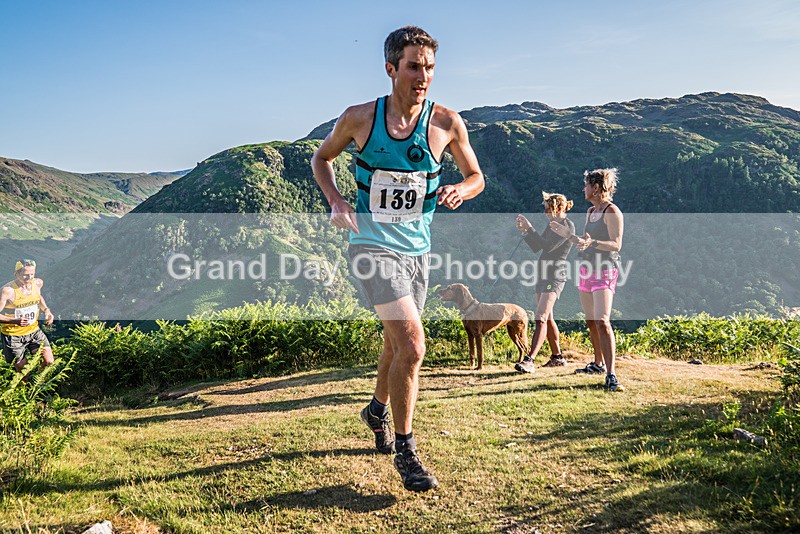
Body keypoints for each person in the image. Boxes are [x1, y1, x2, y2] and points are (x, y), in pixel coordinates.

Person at [311, 26, 484, 492]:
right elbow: (321, 159)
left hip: (417, 250)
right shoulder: (360, 119)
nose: (422, 75)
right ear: (391, 69)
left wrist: (460, 190)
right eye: (413, 66)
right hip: (370, 246)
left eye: (429, 67)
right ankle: (407, 452)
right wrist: (336, 201)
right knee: (412, 345)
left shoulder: (447, 123)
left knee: (395, 346)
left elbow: (476, 177)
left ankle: (376, 409)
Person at [550, 169, 624, 392]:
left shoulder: (612, 212)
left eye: (586, 185)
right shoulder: (591, 210)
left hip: (605, 270)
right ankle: (598, 364)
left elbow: (616, 244)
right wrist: (570, 237)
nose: (583, 189)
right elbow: (585, 240)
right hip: (586, 268)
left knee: (602, 321)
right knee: (591, 320)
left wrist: (591, 243)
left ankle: (611, 375)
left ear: (596, 187)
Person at [514, 192, 575, 373]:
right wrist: (526, 231)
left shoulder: (567, 226)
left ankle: (529, 360)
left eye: (548, 209)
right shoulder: (552, 226)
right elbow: (537, 247)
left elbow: (548, 247)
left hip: (554, 276)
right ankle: (557, 357)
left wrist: (530, 228)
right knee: (547, 317)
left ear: (559, 208)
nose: (545, 213)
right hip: (543, 274)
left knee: (540, 317)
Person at [1, 259, 55, 372]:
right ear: (16, 274)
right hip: (13, 335)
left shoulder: (37, 283)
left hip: (33, 331)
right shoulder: (8, 291)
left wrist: (46, 310)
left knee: (48, 361)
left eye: (32, 274)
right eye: (25, 275)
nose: (29, 278)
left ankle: (38, 384)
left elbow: (38, 297)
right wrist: (14, 321)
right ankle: (25, 388)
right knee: (23, 371)